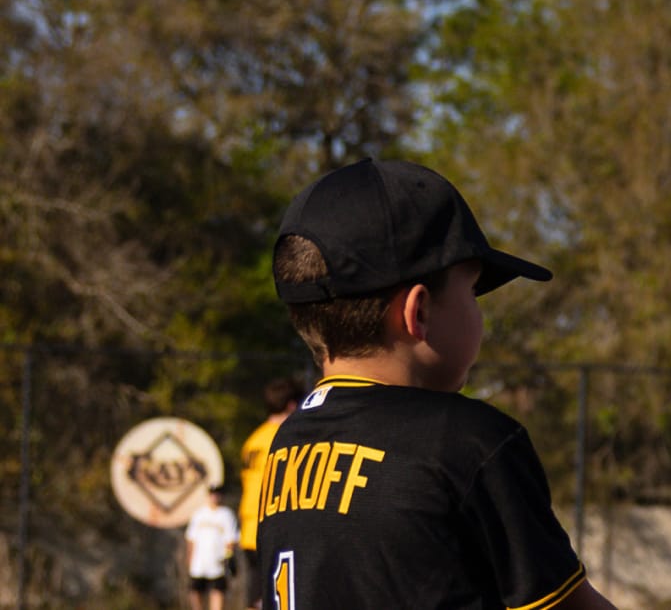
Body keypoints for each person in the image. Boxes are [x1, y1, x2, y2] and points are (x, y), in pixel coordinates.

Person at [255, 158, 617, 609]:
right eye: (472, 292)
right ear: (419, 312)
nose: (479, 313)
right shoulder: (469, 440)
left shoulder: (289, 442)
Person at [236, 375, 302, 609]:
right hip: (271, 524)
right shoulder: (284, 437)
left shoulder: (253, 439)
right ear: (292, 405)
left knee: (257, 594)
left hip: (248, 525)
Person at [181, 484, 237, 610]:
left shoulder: (226, 514)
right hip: (199, 562)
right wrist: (189, 558)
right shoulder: (199, 514)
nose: (214, 497)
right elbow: (191, 538)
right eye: (212, 494)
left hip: (217, 561)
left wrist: (229, 556)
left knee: (217, 592)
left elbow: (231, 538)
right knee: (195, 591)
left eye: (217, 494)